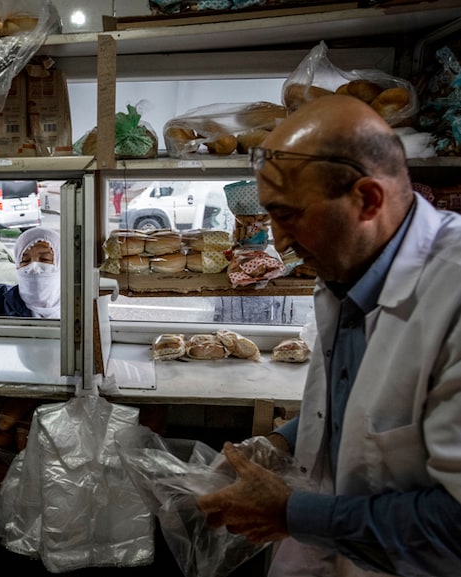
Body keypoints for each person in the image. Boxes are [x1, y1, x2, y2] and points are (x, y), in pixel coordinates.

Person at [196, 94, 461, 576]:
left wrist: (291, 513)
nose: (278, 241)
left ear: (367, 199)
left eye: (288, 215)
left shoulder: (451, 295)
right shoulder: (349, 267)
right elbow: (364, 409)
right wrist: (280, 443)